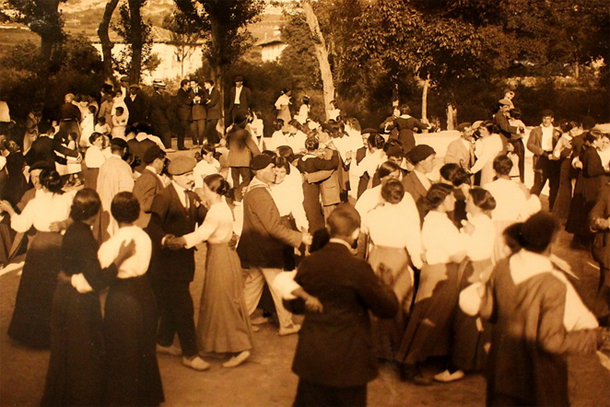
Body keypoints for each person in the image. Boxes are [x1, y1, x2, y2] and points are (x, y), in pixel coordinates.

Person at [462, 212, 602, 406]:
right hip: (538, 381)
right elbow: (551, 341)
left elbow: (487, 311)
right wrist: (592, 338)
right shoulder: (553, 283)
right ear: (552, 244)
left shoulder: (502, 267)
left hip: (502, 375)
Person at [284, 203, 399, 407]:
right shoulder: (359, 268)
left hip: (314, 357)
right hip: (350, 361)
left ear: (329, 229)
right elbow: (387, 309)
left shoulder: (310, 263)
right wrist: (385, 284)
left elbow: (292, 305)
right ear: (356, 233)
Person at [40, 189, 136, 407]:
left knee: (65, 358)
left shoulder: (73, 230)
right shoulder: (84, 237)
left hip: (64, 298)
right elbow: (98, 281)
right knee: (84, 359)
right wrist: (121, 257)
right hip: (78, 304)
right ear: (94, 215)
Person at [173, 174, 254, 367]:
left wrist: (178, 241)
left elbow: (201, 234)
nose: (202, 191)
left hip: (220, 257)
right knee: (222, 300)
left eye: (205, 188)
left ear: (212, 190)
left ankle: (240, 348)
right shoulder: (223, 207)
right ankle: (222, 346)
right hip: (226, 255)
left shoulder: (215, 212)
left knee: (222, 301)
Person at [96, 192, 164, 406]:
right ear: (136, 214)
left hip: (122, 294)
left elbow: (101, 275)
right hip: (144, 291)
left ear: (115, 215)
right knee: (145, 343)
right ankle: (147, 396)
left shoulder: (111, 244)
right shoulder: (144, 236)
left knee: (121, 347)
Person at [396, 183, 467, 385]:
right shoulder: (441, 224)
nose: (454, 201)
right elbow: (457, 254)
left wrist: (431, 255)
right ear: (442, 201)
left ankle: (413, 359)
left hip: (434, 270)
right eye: (451, 198)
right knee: (431, 318)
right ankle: (409, 363)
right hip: (442, 273)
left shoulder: (432, 219)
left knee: (428, 316)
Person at [146, 156, 210, 371]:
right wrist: (166, 240)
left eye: (192, 174)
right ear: (174, 177)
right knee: (183, 306)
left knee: (170, 303)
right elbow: (153, 228)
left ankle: (163, 341)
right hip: (165, 262)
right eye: (186, 175)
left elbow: (205, 218)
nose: (192, 178)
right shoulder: (163, 197)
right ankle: (190, 354)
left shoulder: (192, 196)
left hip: (183, 260)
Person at [238, 154, 312, 336]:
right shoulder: (260, 194)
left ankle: (238, 324)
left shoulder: (255, 190)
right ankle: (286, 325)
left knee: (252, 287)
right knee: (279, 286)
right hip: (265, 250)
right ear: (261, 171)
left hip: (255, 249)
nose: (275, 172)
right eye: (272, 168)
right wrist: (300, 238)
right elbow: (273, 227)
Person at [0, 169, 75, 348]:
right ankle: (60, 332)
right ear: (60, 183)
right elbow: (77, 217)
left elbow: (21, 225)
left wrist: (10, 210)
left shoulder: (35, 203)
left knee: (35, 289)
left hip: (41, 244)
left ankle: (34, 335)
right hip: (60, 244)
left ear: (42, 184)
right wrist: (64, 223)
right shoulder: (67, 199)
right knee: (57, 287)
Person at [435, 187, 496, 382]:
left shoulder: (477, 225)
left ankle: (457, 366)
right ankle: (479, 361)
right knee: (478, 317)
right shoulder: (482, 221)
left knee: (465, 318)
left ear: (477, 204)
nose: (465, 202)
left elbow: (464, 250)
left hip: (474, 269)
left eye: (469, 199)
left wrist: (465, 236)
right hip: (480, 267)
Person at [361, 179, 422, 361]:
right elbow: (413, 243)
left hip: (377, 256)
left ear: (383, 195)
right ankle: (397, 348)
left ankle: (375, 349)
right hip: (398, 259)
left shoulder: (372, 215)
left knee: (375, 302)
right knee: (399, 302)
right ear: (402, 196)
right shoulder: (407, 217)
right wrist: (419, 265)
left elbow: (363, 228)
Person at [566, 130, 610, 249]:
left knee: (582, 211)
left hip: (585, 184)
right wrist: (604, 169)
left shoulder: (588, 151)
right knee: (587, 210)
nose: (602, 142)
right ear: (595, 141)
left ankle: (579, 241)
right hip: (589, 185)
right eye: (601, 139)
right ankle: (583, 242)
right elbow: (591, 171)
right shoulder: (592, 152)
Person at [97, 138, 134, 240]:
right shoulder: (123, 166)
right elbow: (127, 191)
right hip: (116, 206)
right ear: (125, 150)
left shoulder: (104, 165)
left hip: (102, 205)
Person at [527, 109, 562, 210]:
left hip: (554, 160)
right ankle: (530, 208)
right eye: (544, 118)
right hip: (541, 158)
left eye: (548, 118)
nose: (546, 121)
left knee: (554, 186)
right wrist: (542, 152)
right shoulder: (536, 130)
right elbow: (530, 145)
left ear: (552, 119)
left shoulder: (557, 131)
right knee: (538, 185)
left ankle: (552, 208)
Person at [226, 114, 261, 201]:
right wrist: (260, 156)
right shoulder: (244, 133)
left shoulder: (230, 133)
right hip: (244, 161)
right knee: (246, 180)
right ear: (242, 122)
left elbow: (227, 146)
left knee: (235, 181)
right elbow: (253, 146)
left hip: (232, 161)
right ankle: (238, 196)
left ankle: (233, 197)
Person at [589, 181, 610, 326]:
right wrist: (601, 222)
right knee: (606, 287)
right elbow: (594, 216)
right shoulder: (605, 192)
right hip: (608, 248)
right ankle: (599, 324)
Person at [132, 145, 167, 228]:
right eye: (163, 161)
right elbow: (145, 204)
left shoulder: (147, 176)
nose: (164, 165)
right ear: (157, 161)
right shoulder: (149, 178)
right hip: (147, 225)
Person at [402, 144, 436, 222]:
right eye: (431, 159)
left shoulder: (430, 181)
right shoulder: (407, 183)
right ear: (421, 161)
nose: (434, 163)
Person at [470, 121, 505, 187]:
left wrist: (472, 171)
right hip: (481, 166)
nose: (480, 131)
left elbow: (484, 157)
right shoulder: (481, 139)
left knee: (487, 186)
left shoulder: (492, 141)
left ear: (489, 131)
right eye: (480, 128)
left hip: (489, 167)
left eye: (483, 129)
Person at [149, 79, 172, 150]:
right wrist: (168, 103)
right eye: (162, 88)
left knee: (158, 132)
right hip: (160, 116)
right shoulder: (157, 97)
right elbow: (162, 106)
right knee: (166, 131)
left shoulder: (154, 96)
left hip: (156, 117)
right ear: (158, 89)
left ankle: (160, 147)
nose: (163, 90)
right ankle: (167, 147)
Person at [176, 79, 193, 151]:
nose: (189, 87)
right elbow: (188, 102)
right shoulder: (181, 93)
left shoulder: (183, 92)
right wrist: (192, 99)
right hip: (183, 114)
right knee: (181, 130)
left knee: (182, 130)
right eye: (188, 85)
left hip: (183, 114)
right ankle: (181, 145)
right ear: (184, 85)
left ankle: (181, 145)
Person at [190, 80, 207, 147]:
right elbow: (187, 101)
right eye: (191, 84)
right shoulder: (189, 92)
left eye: (193, 84)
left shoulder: (202, 91)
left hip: (201, 112)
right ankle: (194, 143)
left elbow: (205, 99)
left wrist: (200, 100)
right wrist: (194, 100)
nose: (192, 86)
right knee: (193, 129)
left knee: (201, 129)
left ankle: (200, 143)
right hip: (192, 113)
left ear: (197, 84)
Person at [204, 79, 221, 145]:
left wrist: (208, 103)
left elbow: (213, 102)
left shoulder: (216, 92)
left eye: (206, 84)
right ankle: (211, 142)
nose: (205, 85)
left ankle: (216, 141)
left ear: (210, 84)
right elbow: (205, 100)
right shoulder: (206, 92)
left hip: (215, 113)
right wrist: (208, 101)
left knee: (211, 127)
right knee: (208, 128)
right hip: (209, 113)